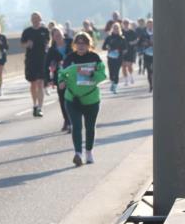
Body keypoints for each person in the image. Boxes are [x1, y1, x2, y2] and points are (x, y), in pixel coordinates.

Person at [56, 32, 107, 166]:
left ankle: (89, 152)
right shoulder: (69, 58)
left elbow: (102, 75)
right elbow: (61, 73)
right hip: (72, 98)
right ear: (74, 45)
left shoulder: (94, 57)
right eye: (78, 43)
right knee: (76, 126)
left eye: (84, 43)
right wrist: (61, 82)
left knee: (90, 127)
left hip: (91, 99)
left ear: (89, 45)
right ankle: (78, 153)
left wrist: (91, 73)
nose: (81, 46)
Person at [21, 12, 51, 117]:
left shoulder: (45, 30)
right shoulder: (27, 31)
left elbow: (48, 42)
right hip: (30, 60)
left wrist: (47, 49)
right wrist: (27, 44)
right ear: (31, 20)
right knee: (33, 84)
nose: (35, 20)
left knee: (40, 83)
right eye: (33, 18)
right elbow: (22, 43)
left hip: (42, 60)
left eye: (37, 18)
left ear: (40, 19)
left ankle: (40, 107)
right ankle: (34, 105)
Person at [45, 27, 72, 132]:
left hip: (73, 75)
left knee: (73, 98)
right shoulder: (52, 50)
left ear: (63, 34)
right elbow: (46, 65)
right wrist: (48, 79)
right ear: (53, 38)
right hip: (60, 76)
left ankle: (72, 119)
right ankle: (67, 120)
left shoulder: (71, 44)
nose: (58, 37)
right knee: (63, 99)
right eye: (56, 36)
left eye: (60, 35)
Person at [101, 22, 126, 94]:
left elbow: (125, 48)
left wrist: (119, 50)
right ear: (112, 29)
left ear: (119, 29)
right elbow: (103, 47)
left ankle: (114, 87)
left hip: (118, 58)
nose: (116, 29)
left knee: (116, 72)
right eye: (114, 28)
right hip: (110, 58)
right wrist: (108, 48)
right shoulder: (109, 38)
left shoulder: (122, 38)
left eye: (117, 28)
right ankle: (112, 82)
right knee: (111, 73)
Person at [121, 19, 137, 87]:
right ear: (123, 24)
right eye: (124, 23)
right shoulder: (121, 32)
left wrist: (132, 43)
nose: (126, 24)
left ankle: (131, 76)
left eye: (127, 23)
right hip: (123, 51)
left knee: (129, 65)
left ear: (129, 24)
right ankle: (126, 80)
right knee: (123, 66)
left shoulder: (132, 32)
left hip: (131, 50)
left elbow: (136, 40)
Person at [142, 18, 155, 92]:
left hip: (156, 55)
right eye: (148, 24)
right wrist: (144, 43)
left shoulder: (157, 32)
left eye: (151, 24)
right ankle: (151, 85)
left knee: (155, 71)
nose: (150, 25)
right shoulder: (144, 33)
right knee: (149, 71)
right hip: (147, 54)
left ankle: (155, 83)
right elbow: (140, 42)